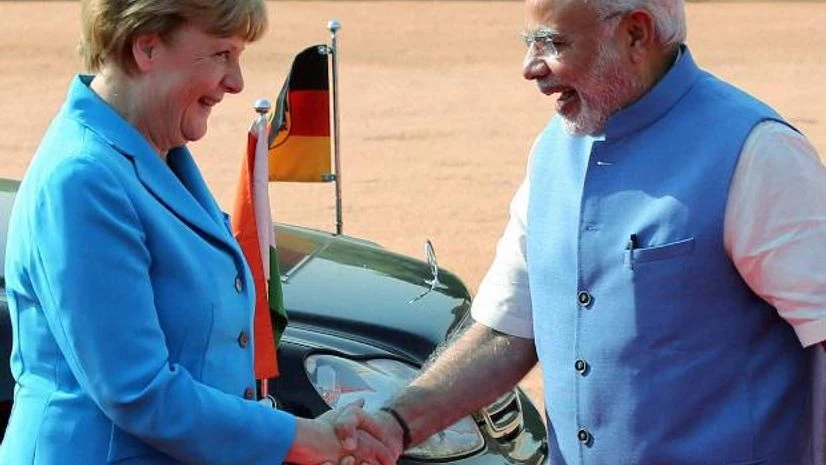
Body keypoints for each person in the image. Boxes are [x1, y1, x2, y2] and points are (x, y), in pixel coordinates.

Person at [363, 0, 826, 464]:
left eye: (554, 43)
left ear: (635, 34)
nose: (530, 68)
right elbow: (506, 332)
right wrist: (396, 422)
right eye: (530, 43)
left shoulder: (758, 151)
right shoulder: (552, 150)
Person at [0, 1, 393, 464]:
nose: (237, 82)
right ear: (147, 47)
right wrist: (301, 437)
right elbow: (137, 390)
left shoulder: (155, 154)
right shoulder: (83, 179)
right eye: (222, 54)